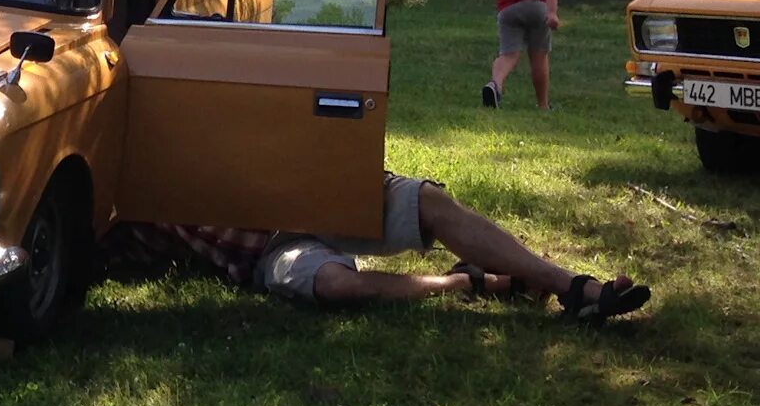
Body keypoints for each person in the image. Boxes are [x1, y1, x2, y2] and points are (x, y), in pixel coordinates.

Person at [114, 173, 651, 320]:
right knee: (335, 284)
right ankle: (467, 281)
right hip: (269, 255)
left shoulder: (247, 99)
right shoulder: (124, 167)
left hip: (314, 193)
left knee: (430, 203)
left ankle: (573, 288)